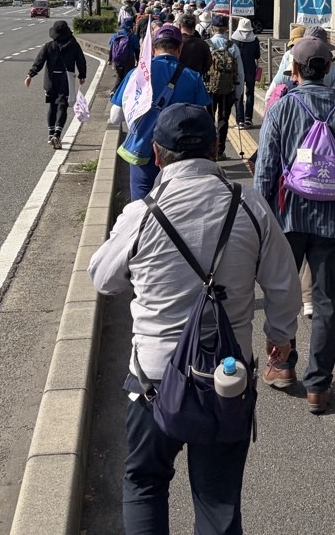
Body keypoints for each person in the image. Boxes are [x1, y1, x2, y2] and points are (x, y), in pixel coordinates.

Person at [88, 103, 302, 535]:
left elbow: (104, 279)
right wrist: (280, 336)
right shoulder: (250, 207)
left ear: (157, 153)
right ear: (216, 146)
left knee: (145, 481)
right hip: (226, 379)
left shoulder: (143, 214)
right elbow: (284, 285)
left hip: (153, 380)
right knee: (218, 502)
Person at [253, 35, 335, 413]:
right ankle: (318, 386)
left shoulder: (282, 110)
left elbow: (265, 172)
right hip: (333, 220)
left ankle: (283, 365)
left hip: (287, 217)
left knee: (282, 294)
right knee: (327, 302)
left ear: (295, 69)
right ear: (329, 70)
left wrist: (262, 219)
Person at [114, 24, 212, 200]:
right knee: (176, 206)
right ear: (180, 48)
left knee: (142, 207)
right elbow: (203, 118)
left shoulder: (136, 74)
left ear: (152, 49)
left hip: (142, 150)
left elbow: (115, 116)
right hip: (179, 154)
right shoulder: (193, 77)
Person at [25, 19, 87, 148]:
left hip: (50, 80)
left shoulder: (49, 46)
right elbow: (81, 61)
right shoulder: (74, 45)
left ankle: (50, 133)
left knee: (52, 106)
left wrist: (30, 75)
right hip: (65, 79)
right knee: (62, 106)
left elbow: (39, 62)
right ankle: (57, 134)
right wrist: (82, 75)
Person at [206, 16, 245, 155]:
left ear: (212, 29)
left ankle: (210, 149)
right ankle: (220, 150)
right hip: (228, 89)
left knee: (209, 118)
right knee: (223, 118)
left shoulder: (207, 45)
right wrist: (239, 93)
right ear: (226, 29)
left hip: (209, 88)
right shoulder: (232, 46)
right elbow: (240, 72)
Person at [231, 17, 260, 128]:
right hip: (250, 69)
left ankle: (240, 120)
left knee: (239, 94)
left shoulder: (234, 39)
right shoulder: (254, 39)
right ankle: (248, 118)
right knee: (250, 93)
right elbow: (257, 55)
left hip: (238, 70)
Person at [177, 12, 212, 78]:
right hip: (196, 80)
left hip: (177, 80)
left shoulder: (176, 42)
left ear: (179, 26)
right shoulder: (203, 44)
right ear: (194, 26)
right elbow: (207, 64)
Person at [108, 16, 140, 84]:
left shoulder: (116, 35)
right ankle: (124, 92)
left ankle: (114, 92)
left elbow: (111, 48)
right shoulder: (133, 36)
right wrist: (138, 60)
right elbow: (137, 50)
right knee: (128, 77)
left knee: (119, 77)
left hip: (117, 59)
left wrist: (110, 59)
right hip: (129, 59)